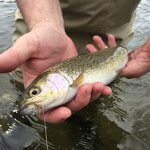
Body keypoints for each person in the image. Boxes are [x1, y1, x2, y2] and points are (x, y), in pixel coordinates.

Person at [0, 0, 150, 124]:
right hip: (43, 35)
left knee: (96, 101)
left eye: (35, 92)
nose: (34, 94)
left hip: (114, 34)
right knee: (21, 89)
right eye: (35, 92)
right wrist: (45, 24)